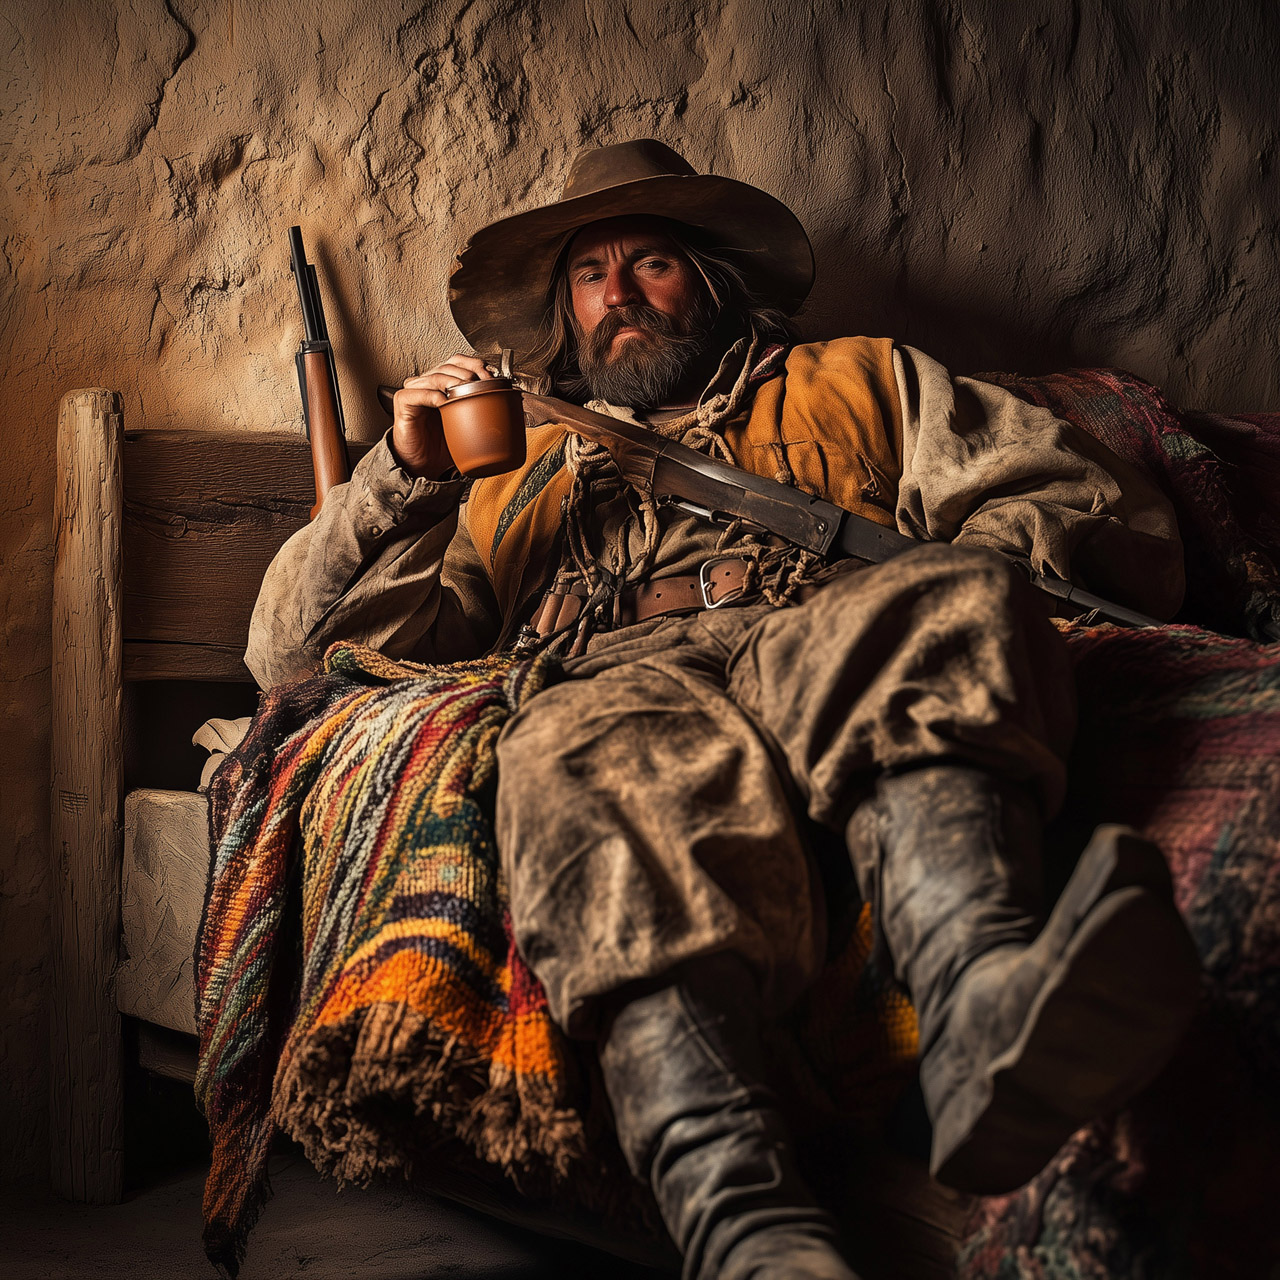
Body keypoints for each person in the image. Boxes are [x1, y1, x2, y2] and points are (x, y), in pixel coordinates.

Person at [247, 140, 1201, 1280]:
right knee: (584, 752)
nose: (617, 294)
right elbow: (292, 657)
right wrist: (402, 474)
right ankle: (745, 1228)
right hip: (618, 672)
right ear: (562, 313)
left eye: (649, 261)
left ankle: (982, 1008)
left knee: (945, 595)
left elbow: (1082, 500)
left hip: (822, 628)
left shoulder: (863, 375)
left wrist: (925, 590)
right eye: (589, 275)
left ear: (707, 280)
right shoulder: (508, 465)